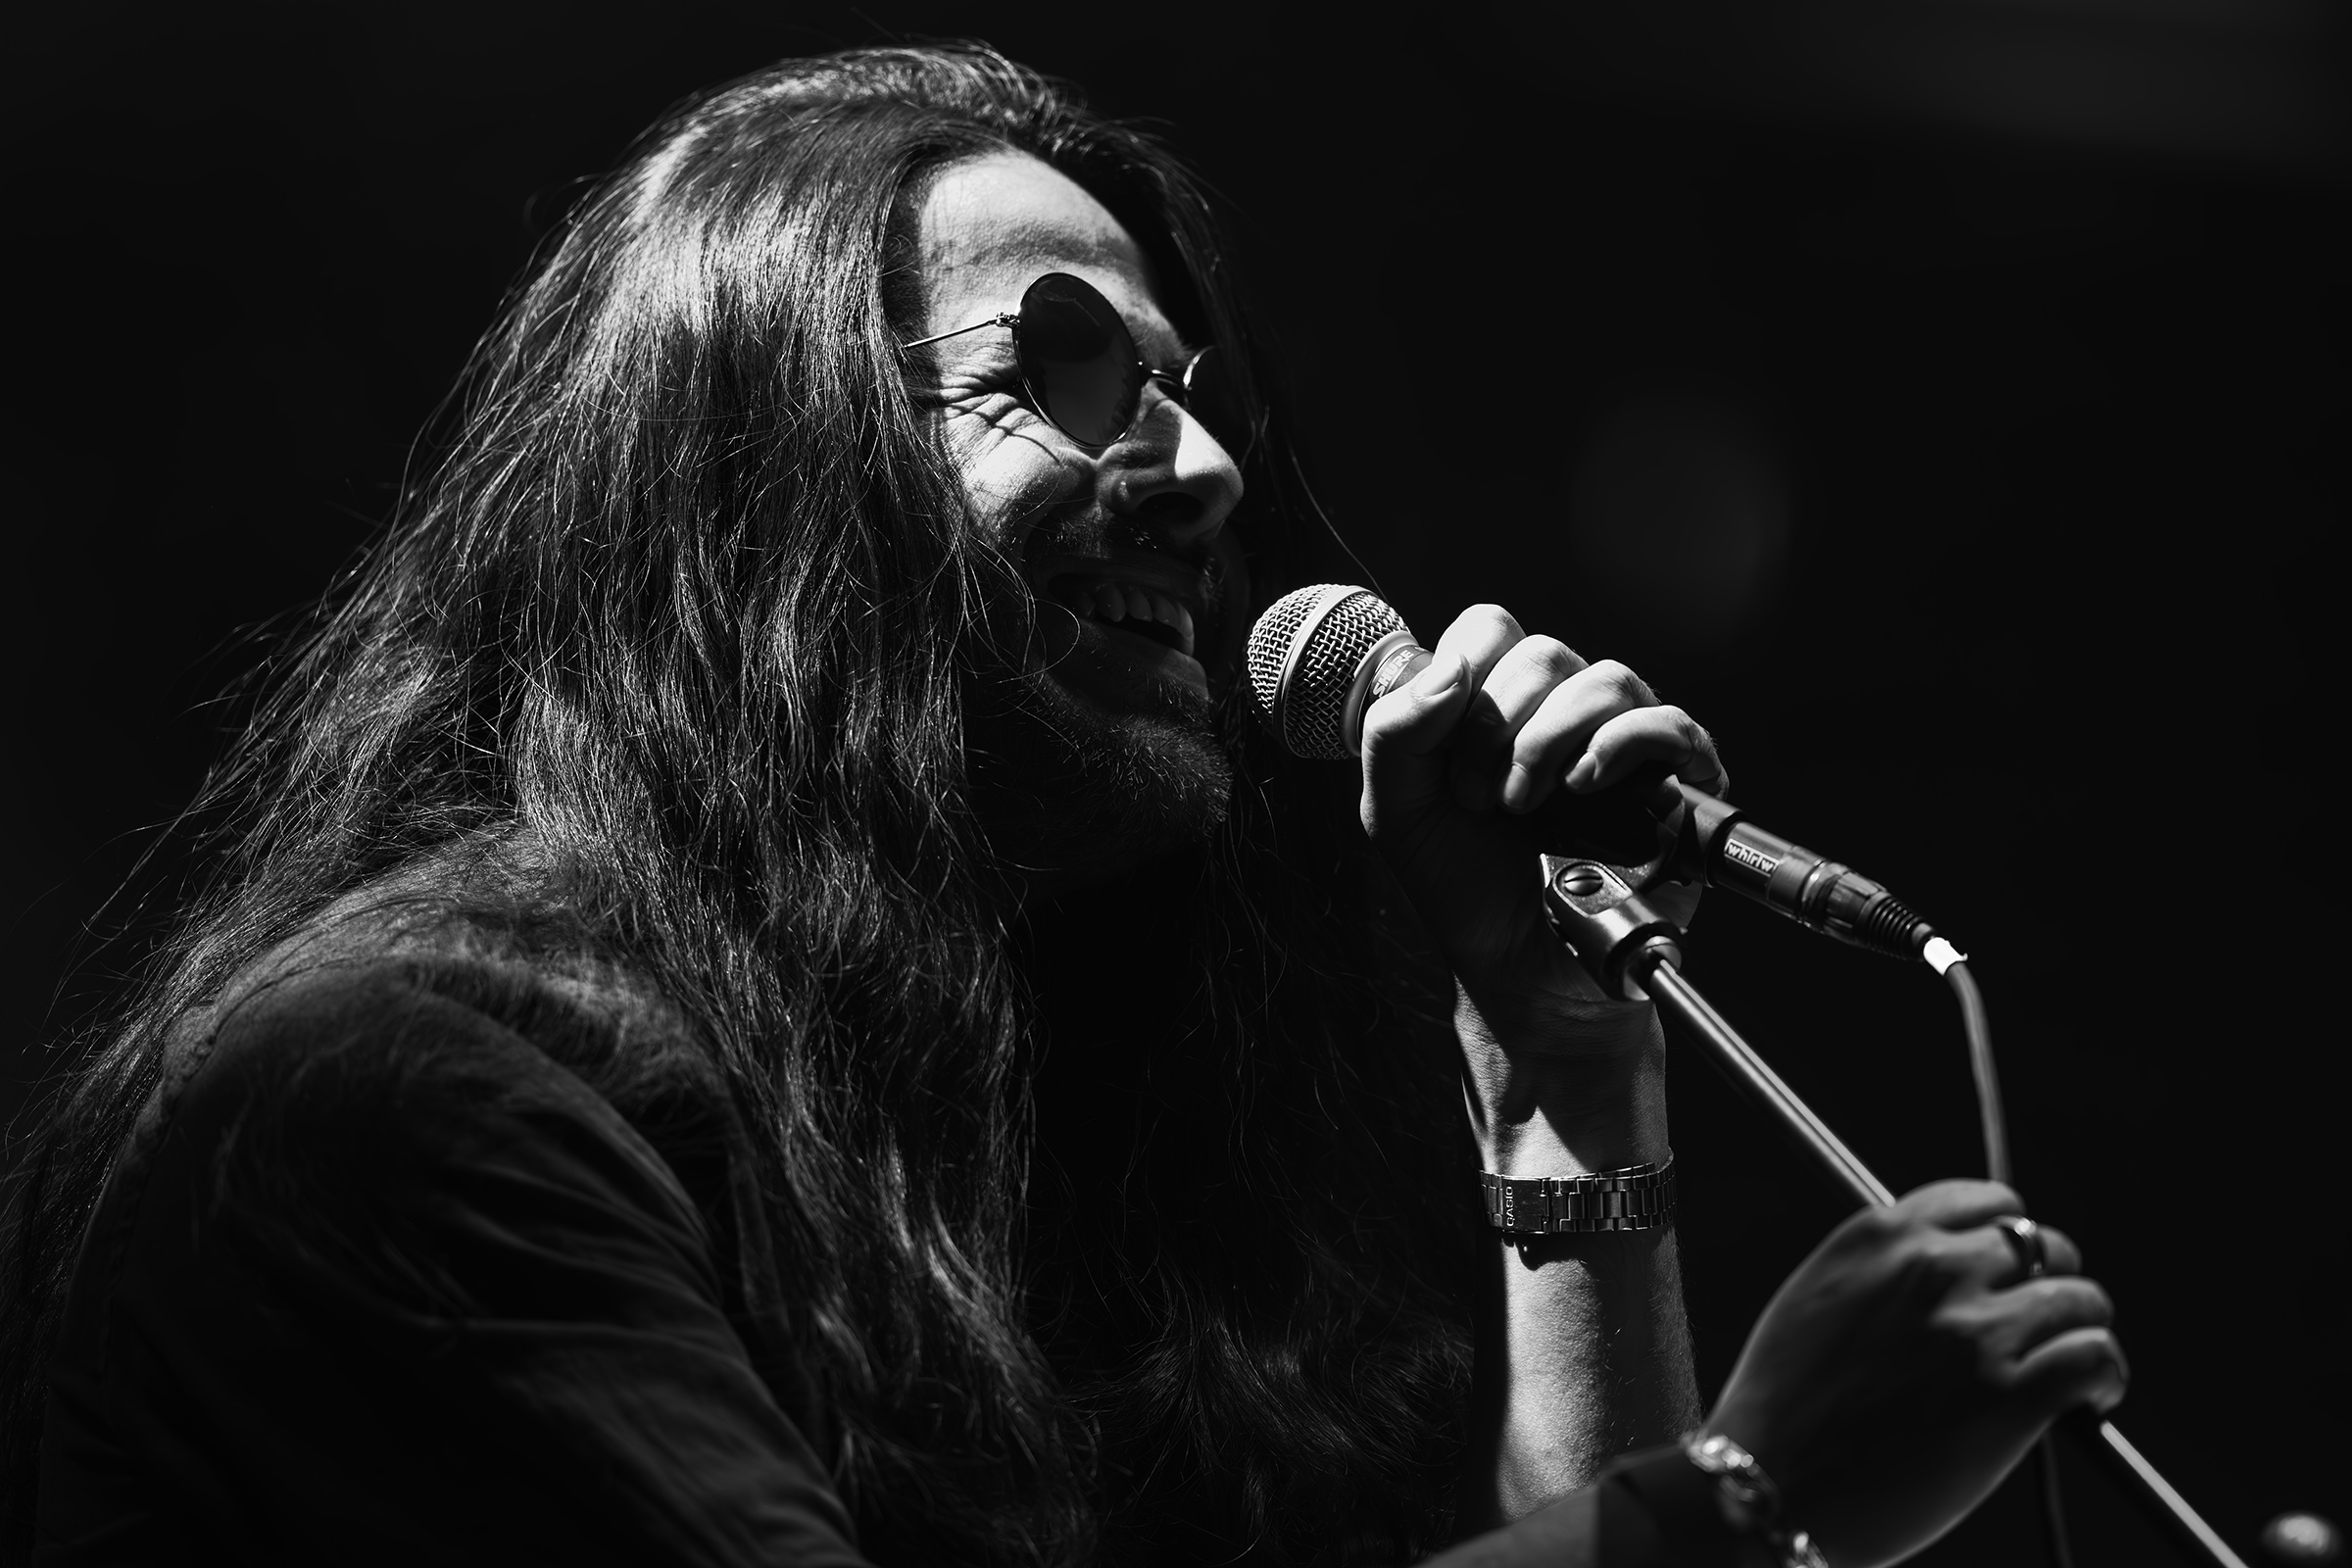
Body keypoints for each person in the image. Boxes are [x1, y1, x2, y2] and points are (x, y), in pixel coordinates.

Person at [0, 45, 2127, 1568]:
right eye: (1068, 364)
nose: (1203, 473)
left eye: (1195, 397)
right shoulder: (411, 1086)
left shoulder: (1006, 1141)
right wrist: (1743, 1500)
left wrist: (1566, 1078)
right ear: (764, 485)